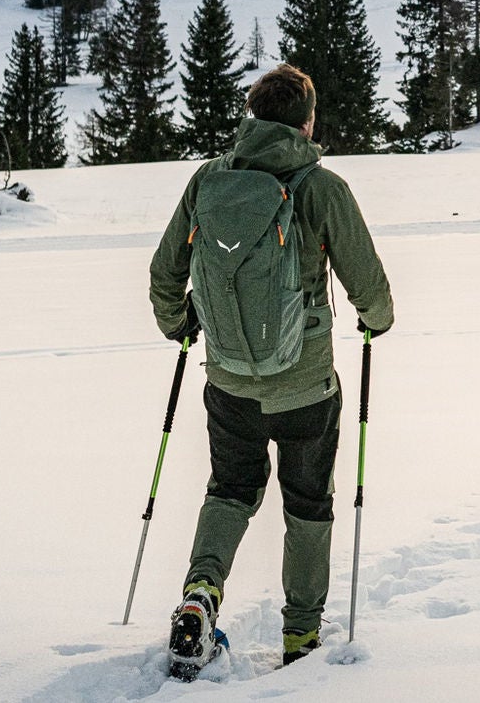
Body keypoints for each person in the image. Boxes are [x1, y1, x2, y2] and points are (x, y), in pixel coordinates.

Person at [148, 63, 394, 677]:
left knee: (229, 491)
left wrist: (180, 324)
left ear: (253, 117)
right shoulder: (321, 187)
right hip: (307, 385)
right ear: (306, 122)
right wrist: (376, 321)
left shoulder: (209, 180)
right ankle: (301, 633)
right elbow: (368, 283)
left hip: (229, 380)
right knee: (308, 503)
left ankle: (201, 593)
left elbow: (164, 272)